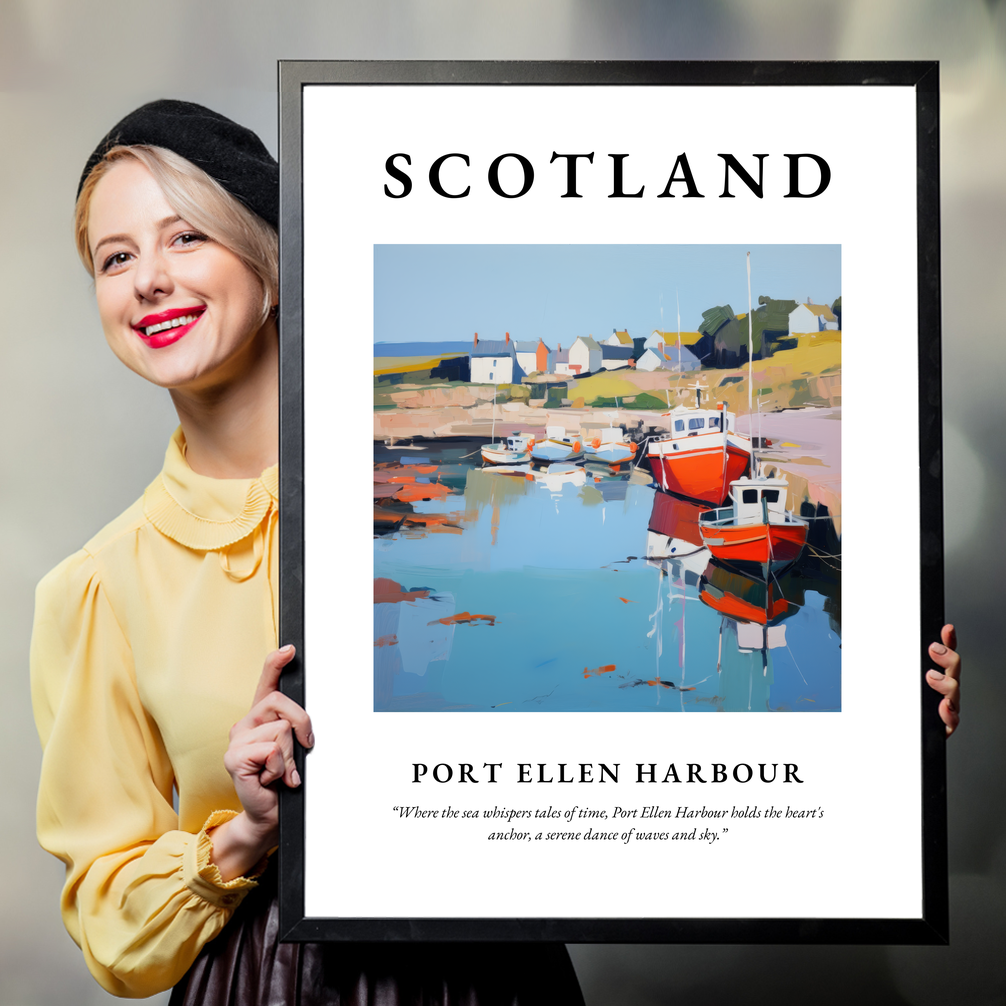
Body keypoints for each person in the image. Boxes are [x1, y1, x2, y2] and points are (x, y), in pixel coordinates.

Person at [30, 100, 585, 1004]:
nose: (148, 281)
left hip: (493, 972)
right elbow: (110, 924)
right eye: (116, 257)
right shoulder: (97, 587)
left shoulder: (445, 499)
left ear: (273, 264)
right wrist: (244, 832)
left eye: (185, 238)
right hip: (263, 982)